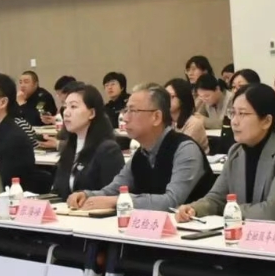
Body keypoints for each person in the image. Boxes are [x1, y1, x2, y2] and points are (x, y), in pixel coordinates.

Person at [176, 84, 275, 222]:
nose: (234, 122)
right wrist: (194, 209)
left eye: (242, 114)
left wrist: (230, 210)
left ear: (266, 121)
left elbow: (270, 213)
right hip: (244, 230)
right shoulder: (236, 152)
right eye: (233, 113)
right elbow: (216, 198)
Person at [67, 83, 215, 212]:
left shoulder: (185, 150)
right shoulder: (142, 153)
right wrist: (87, 195)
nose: (125, 118)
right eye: (126, 110)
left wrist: (118, 201)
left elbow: (171, 201)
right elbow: (114, 189)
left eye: (133, 111)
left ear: (156, 117)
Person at [52, 84, 125, 200]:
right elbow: (58, 191)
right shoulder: (70, 147)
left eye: (73, 107)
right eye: (65, 107)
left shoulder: (108, 149)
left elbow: (113, 195)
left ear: (91, 113)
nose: (66, 112)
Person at [214, 69, 261, 155]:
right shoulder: (231, 110)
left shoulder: (259, 112)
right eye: (233, 87)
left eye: (241, 86)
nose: (235, 91)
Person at [164, 78, 208, 153]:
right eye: (164, 96)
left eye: (171, 96)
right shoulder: (166, 122)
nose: (166, 100)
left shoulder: (194, 123)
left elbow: (181, 149)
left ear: (182, 98)